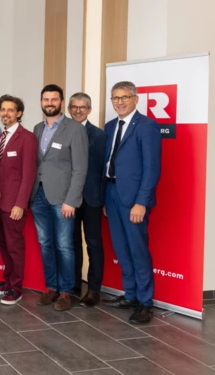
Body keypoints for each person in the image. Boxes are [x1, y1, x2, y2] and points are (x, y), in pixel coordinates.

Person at [103, 81, 161, 324]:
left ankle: (146, 303)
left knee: (137, 250)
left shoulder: (147, 126)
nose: (120, 102)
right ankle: (130, 295)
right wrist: (105, 197)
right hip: (112, 194)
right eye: (115, 98)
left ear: (136, 99)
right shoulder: (109, 126)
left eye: (125, 97)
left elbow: (152, 168)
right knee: (121, 247)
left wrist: (142, 202)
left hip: (134, 198)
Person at [30, 84, 88, 311]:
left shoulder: (75, 129)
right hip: (39, 196)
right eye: (46, 99)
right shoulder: (36, 128)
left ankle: (66, 291)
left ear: (61, 102)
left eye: (54, 99)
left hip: (63, 198)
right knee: (45, 244)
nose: (50, 103)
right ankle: (51, 287)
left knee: (64, 246)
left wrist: (72, 200)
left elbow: (80, 168)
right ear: (41, 102)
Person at [0, 95, 37, 305]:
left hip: (13, 204)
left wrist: (20, 204)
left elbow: (28, 174)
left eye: (10, 110)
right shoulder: (0, 137)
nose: (5, 113)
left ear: (19, 113)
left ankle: (16, 287)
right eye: (3, 109)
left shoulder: (26, 137)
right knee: (3, 243)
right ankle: (7, 281)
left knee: (14, 246)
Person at [68, 92, 107, 307]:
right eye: (74, 106)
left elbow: (103, 170)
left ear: (89, 110)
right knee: (71, 243)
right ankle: (73, 284)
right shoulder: (63, 132)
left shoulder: (99, 136)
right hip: (69, 200)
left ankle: (93, 290)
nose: (78, 110)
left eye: (82, 107)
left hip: (91, 199)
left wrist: (104, 201)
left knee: (93, 244)